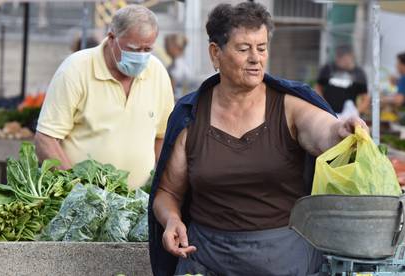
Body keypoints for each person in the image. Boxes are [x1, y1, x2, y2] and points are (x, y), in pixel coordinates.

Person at [148, 2, 367, 276]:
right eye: (243, 49)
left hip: (285, 263)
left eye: (261, 48)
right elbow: (168, 192)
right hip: (207, 262)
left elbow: (323, 131)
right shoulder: (191, 117)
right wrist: (171, 219)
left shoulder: (289, 107)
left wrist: (342, 130)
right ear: (215, 53)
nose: (256, 58)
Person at [35, 5, 174, 190]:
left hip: (136, 203)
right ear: (111, 38)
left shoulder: (157, 73)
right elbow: (46, 139)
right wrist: (75, 190)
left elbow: (163, 137)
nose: (141, 56)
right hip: (81, 202)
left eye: (147, 49)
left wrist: (162, 187)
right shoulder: (76, 69)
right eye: (133, 49)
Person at [316, 45, 369, 115]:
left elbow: (365, 98)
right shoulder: (328, 68)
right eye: (338, 57)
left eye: (342, 57)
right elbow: (318, 89)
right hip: (328, 114)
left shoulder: (359, 73)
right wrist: (323, 105)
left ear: (351, 56)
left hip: (348, 115)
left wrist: (355, 112)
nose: (339, 60)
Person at [164, 33, 193, 101]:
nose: (166, 48)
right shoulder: (176, 65)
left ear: (175, 47)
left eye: (167, 45)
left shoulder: (177, 68)